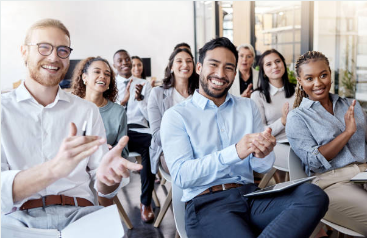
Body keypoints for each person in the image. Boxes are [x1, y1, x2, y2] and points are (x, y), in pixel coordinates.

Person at [160, 37, 329, 238]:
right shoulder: (176, 115)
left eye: (229, 68)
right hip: (207, 204)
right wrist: (235, 152)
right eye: (213, 65)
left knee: (313, 195)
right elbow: (181, 176)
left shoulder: (247, 107)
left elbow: (262, 167)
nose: (221, 74)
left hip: (251, 195)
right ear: (198, 67)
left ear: (235, 72)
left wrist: (263, 153)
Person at [1, 19, 141, 230]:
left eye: (62, 50)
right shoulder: (3, 110)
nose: (54, 57)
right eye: (44, 47)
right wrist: (55, 169)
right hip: (18, 221)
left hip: (80, 215)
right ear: (24, 51)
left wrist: (108, 178)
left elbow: (103, 190)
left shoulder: (86, 110)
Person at [286, 51, 367, 236]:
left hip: (363, 176)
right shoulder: (297, 118)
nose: (318, 83)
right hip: (331, 185)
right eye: (309, 78)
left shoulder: (349, 105)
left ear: (330, 73)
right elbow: (314, 161)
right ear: (300, 81)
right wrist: (347, 133)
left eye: (323, 75)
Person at [72, 56, 129, 206]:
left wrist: (113, 152)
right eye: (97, 72)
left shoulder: (118, 111)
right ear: (84, 77)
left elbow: (124, 151)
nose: (103, 76)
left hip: (103, 167)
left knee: (104, 182)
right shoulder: (70, 106)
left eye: (107, 74)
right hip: (74, 166)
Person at [112, 49, 155, 222]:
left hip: (140, 131)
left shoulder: (145, 84)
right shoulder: (109, 84)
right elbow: (111, 117)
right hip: (118, 131)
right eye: (119, 60)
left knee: (151, 145)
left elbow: (151, 117)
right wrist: (122, 103)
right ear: (114, 65)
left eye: (127, 59)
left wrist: (140, 100)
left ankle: (146, 202)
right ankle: (104, 201)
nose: (124, 63)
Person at [148, 48, 198, 175]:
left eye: (189, 61)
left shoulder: (200, 93)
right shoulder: (157, 94)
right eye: (179, 61)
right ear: (171, 66)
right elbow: (157, 136)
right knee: (189, 171)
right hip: (168, 150)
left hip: (199, 149)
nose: (185, 65)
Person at [251, 49, 295, 172]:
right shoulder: (258, 96)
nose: (275, 66)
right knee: (297, 162)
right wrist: (282, 121)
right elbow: (260, 130)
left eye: (277, 61)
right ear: (263, 71)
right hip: (275, 144)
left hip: (299, 141)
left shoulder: (297, 91)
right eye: (269, 64)